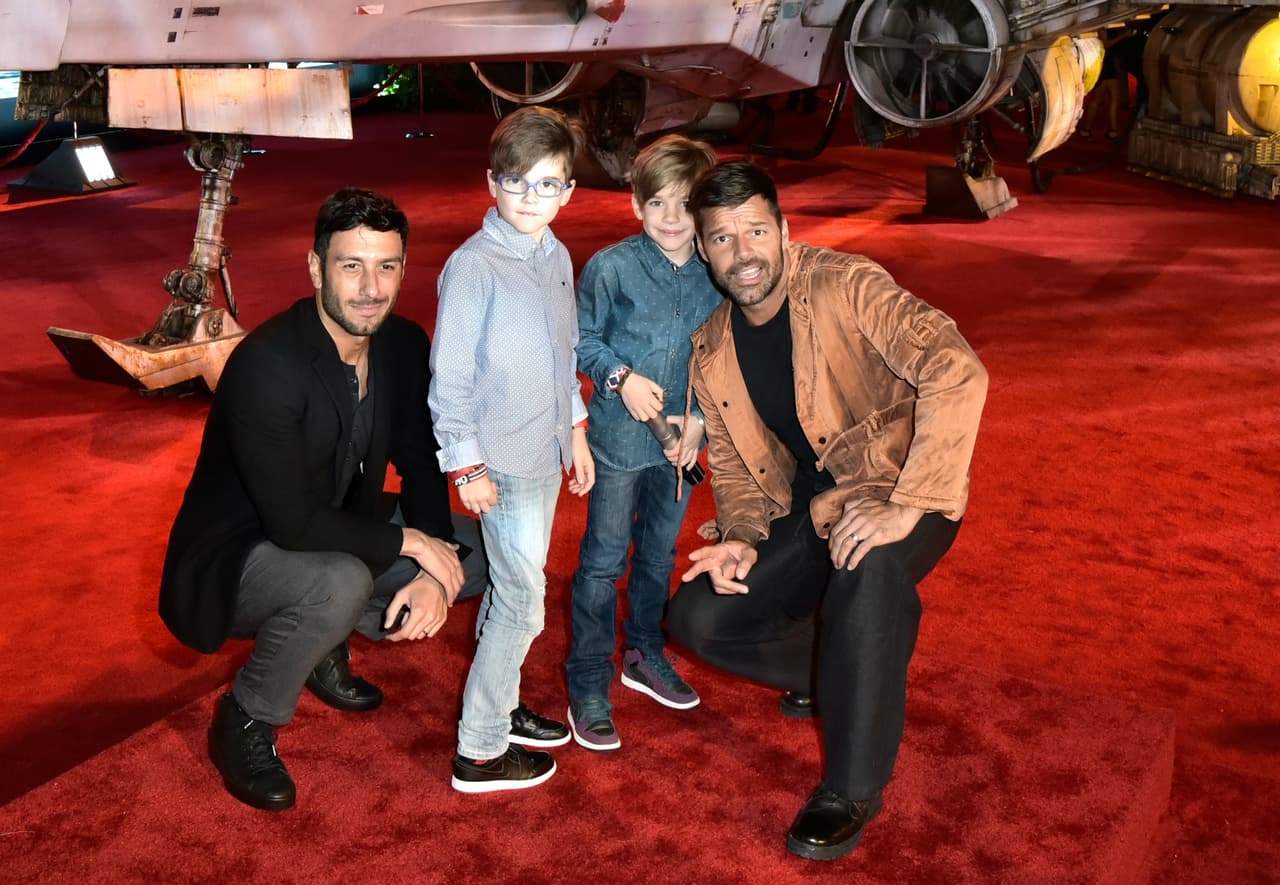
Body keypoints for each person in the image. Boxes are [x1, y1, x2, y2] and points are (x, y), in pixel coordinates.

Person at [669, 161, 988, 861]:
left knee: (867, 565)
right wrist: (743, 539)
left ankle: (851, 784)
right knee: (696, 615)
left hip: (902, 487)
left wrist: (907, 503)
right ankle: (851, 668)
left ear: (784, 230)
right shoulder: (713, 350)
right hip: (814, 509)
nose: (743, 253)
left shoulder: (847, 285)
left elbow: (956, 367)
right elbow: (740, 476)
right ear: (702, 249)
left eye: (757, 230)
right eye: (722, 239)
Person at [159, 187, 491, 812]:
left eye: (386, 266)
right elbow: (289, 521)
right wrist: (414, 544)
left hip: (339, 524)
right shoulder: (268, 365)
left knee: (478, 551)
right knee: (336, 582)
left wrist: (434, 566)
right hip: (243, 552)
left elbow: (421, 462)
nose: (371, 287)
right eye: (351, 265)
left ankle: (320, 640)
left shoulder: (401, 344)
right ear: (315, 268)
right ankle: (247, 719)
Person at [430, 105, 595, 793]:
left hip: (542, 450)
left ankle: (502, 704)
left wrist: (576, 429)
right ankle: (481, 746)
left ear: (570, 191)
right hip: (496, 461)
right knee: (525, 600)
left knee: (512, 589)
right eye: (518, 182)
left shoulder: (554, 253)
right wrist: (465, 464)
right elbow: (451, 377)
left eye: (549, 183)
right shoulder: (474, 267)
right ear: (492, 184)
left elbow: (564, 356)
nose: (533, 197)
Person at [565, 134, 721, 751]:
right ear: (635, 205)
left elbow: (724, 358)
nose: (673, 219)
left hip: (682, 449)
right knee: (603, 560)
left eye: (686, 205)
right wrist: (619, 378)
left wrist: (703, 422)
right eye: (658, 203)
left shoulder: (717, 271)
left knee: (658, 555)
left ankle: (645, 654)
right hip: (615, 442)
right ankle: (587, 679)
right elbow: (579, 338)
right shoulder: (611, 266)